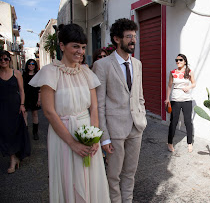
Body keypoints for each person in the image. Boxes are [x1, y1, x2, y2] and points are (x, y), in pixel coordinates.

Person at [29, 24, 110, 202]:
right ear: (62, 45)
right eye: (75, 46)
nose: (80, 51)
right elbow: (49, 112)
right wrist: (73, 143)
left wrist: (95, 137)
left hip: (86, 131)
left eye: (82, 47)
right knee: (68, 180)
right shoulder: (50, 73)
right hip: (63, 136)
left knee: (90, 178)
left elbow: (94, 107)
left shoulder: (86, 72)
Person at [93, 18, 147, 203]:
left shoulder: (137, 64)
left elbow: (139, 96)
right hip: (114, 130)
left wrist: (142, 116)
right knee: (114, 175)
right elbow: (99, 104)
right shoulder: (102, 65)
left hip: (136, 127)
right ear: (117, 39)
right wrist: (104, 137)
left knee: (130, 173)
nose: (133, 40)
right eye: (129, 36)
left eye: (135, 36)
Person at [0, 50, 31, 174]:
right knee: (5, 133)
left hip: (15, 107)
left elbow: (22, 90)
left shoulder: (16, 73)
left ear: (9, 60)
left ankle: (15, 158)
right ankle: (12, 158)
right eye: (1, 59)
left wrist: (22, 105)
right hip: (2, 108)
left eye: (5, 59)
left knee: (15, 131)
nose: (3, 61)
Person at [164, 54, 196, 153]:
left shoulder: (189, 72)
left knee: (188, 122)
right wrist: (167, 99)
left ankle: (189, 143)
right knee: (173, 122)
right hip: (175, 99)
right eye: (176, 60)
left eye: (180, 60)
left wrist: (189, 87)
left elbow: (194, 83)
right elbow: (169, 86)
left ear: (185, 61)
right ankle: (170, 143)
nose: (178, 62)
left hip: (187, 99)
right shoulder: (173, 72)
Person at [23, 59, 41, 140]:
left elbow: (39, 89)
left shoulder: (37, 75)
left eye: (33, 64)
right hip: (25, 97)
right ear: (27, 65)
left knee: (35, 114)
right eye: (29, 64)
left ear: (35, 65)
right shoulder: (23, 75)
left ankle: (35, 133)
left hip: (34, 97)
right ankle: (25, 133)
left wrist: (39, 99)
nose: (31, 65)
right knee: (24, 115)